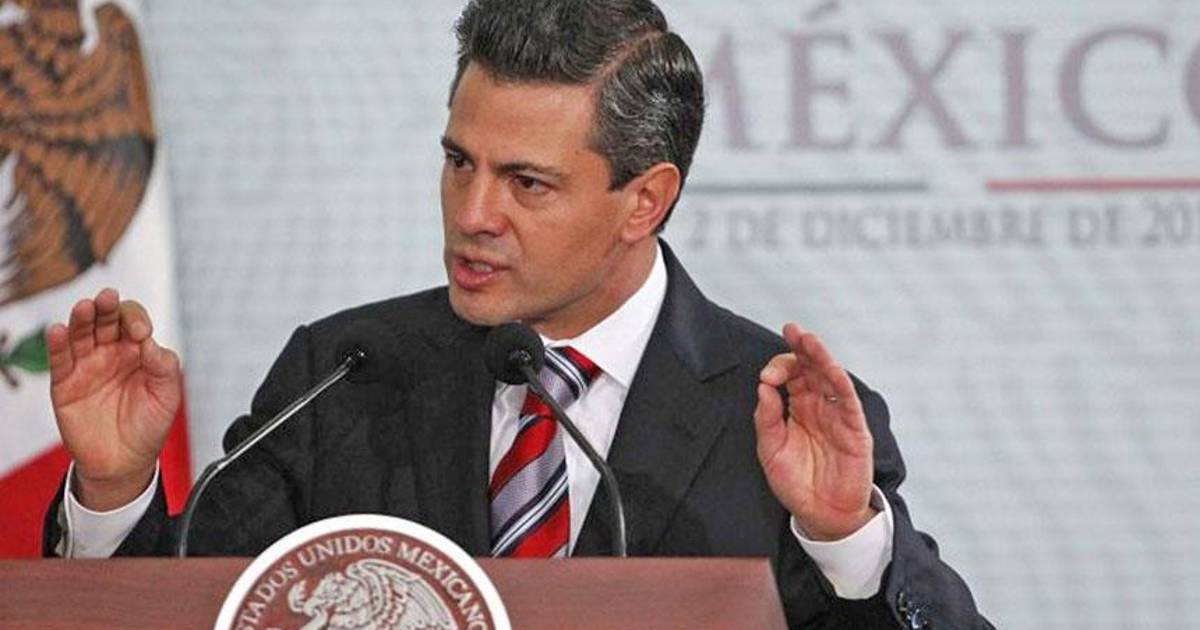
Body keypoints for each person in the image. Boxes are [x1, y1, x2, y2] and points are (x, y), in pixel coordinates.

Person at [42, 0, 993, 627]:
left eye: (526, 183)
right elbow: (198, 607)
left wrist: (847, 539)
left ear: (645, 201)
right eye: (459, 163)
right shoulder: (339, 375)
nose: (473, 214)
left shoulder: (774, 419)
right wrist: (115, 489)